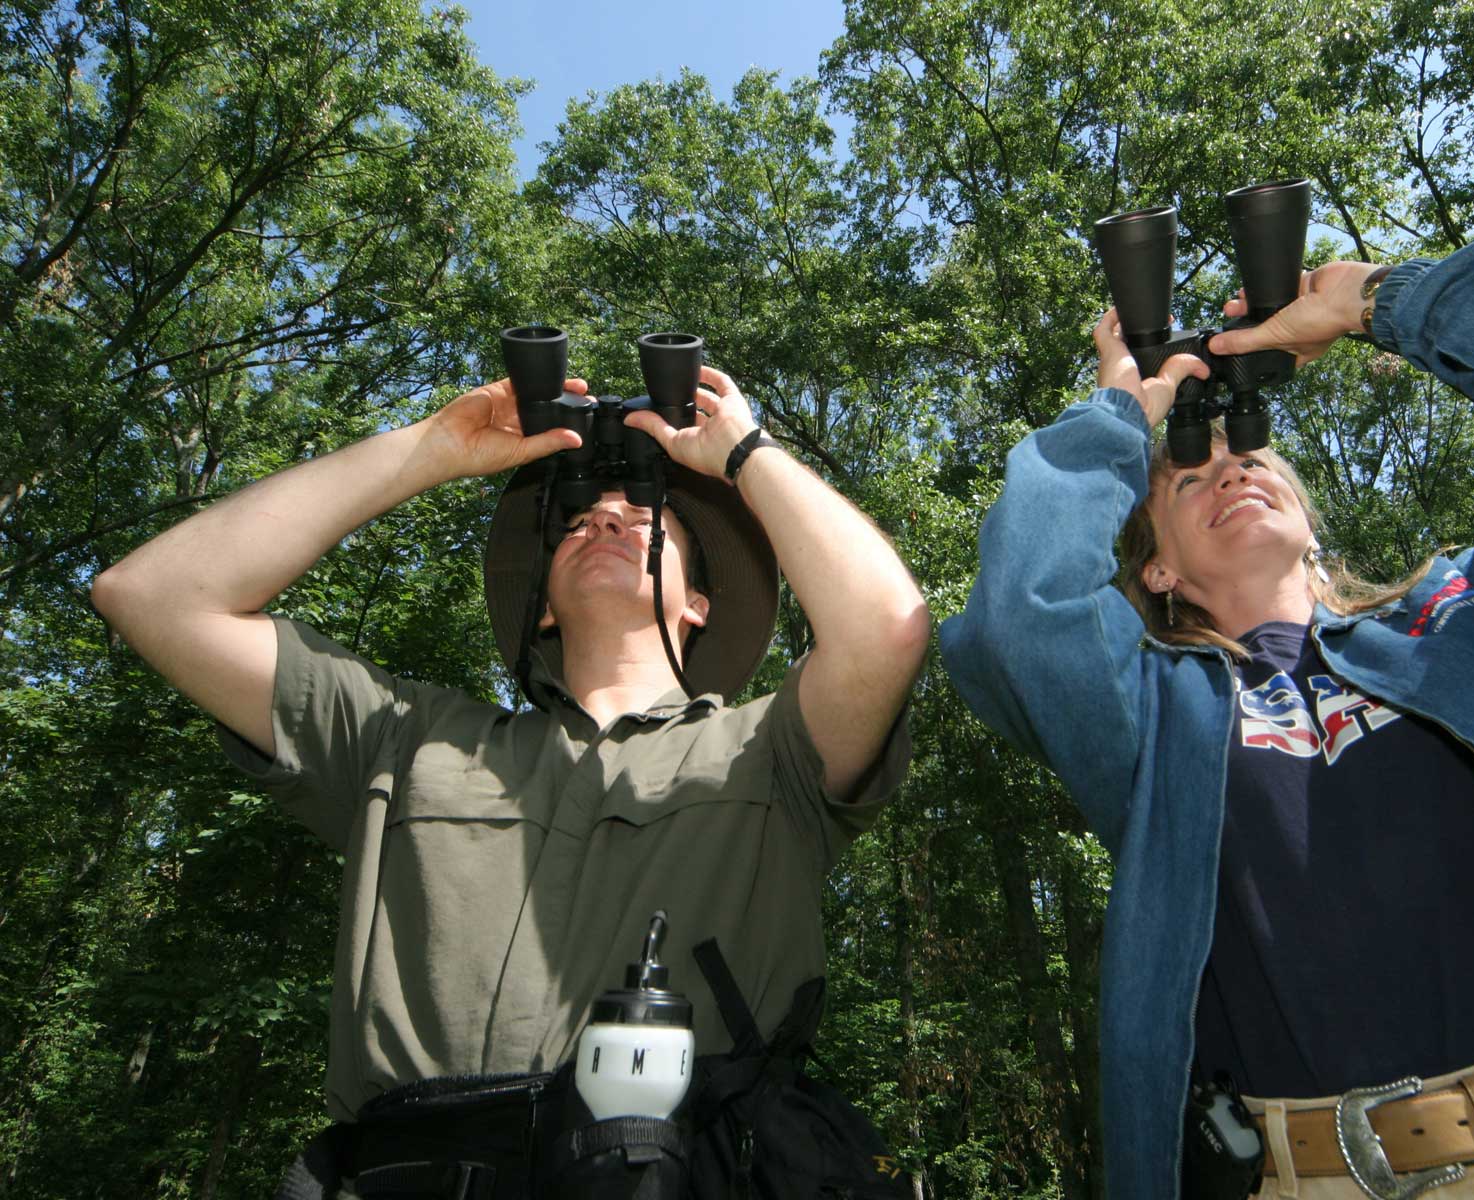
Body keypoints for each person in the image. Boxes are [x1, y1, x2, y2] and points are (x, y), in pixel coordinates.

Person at [940, 233, 1474, 1199]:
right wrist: (1117, 412)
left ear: (1309, 522)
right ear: (1158, 571)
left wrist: (1374, 304)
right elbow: (1020, 618)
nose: (1228, 467)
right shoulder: (1151, 717)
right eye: (1186, 475)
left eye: (1250, 451)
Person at [91, 359, 929, 1188]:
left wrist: (744, 453)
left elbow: (887, 627)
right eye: (579, 519)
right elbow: (154, 595)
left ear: (698, 603)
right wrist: (429, 451)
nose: (607, 518)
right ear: (549, 605)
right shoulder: (407, 739)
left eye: (646, 514)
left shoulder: (769, 753)